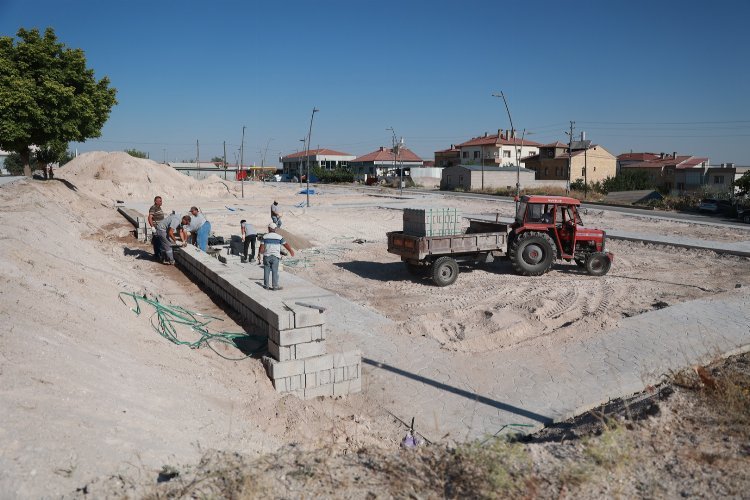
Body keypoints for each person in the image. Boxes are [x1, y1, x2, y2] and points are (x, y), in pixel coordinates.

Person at [258, 222, 294, 290]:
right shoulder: (279, 237)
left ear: (269, 228)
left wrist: (259, 254)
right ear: (275, 229)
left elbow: (261, 248)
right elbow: (285, 244)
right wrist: (291, 251)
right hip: (275, 257)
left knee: (266, 270)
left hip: (267, 256)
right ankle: (275, 286)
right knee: (275, 271)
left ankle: (266, 286)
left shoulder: (264, 237)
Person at [148, 196, 165, 261]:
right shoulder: (153, 208)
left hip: (160, 227)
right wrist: (152, 227)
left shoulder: (159, 207)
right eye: (160, 201)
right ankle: (159, 256)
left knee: (156, 241)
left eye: (161, 201)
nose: (161, 202)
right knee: (159, 242)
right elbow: (149, 218)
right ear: (156, 201)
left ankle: (157, 255)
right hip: (157, 228)